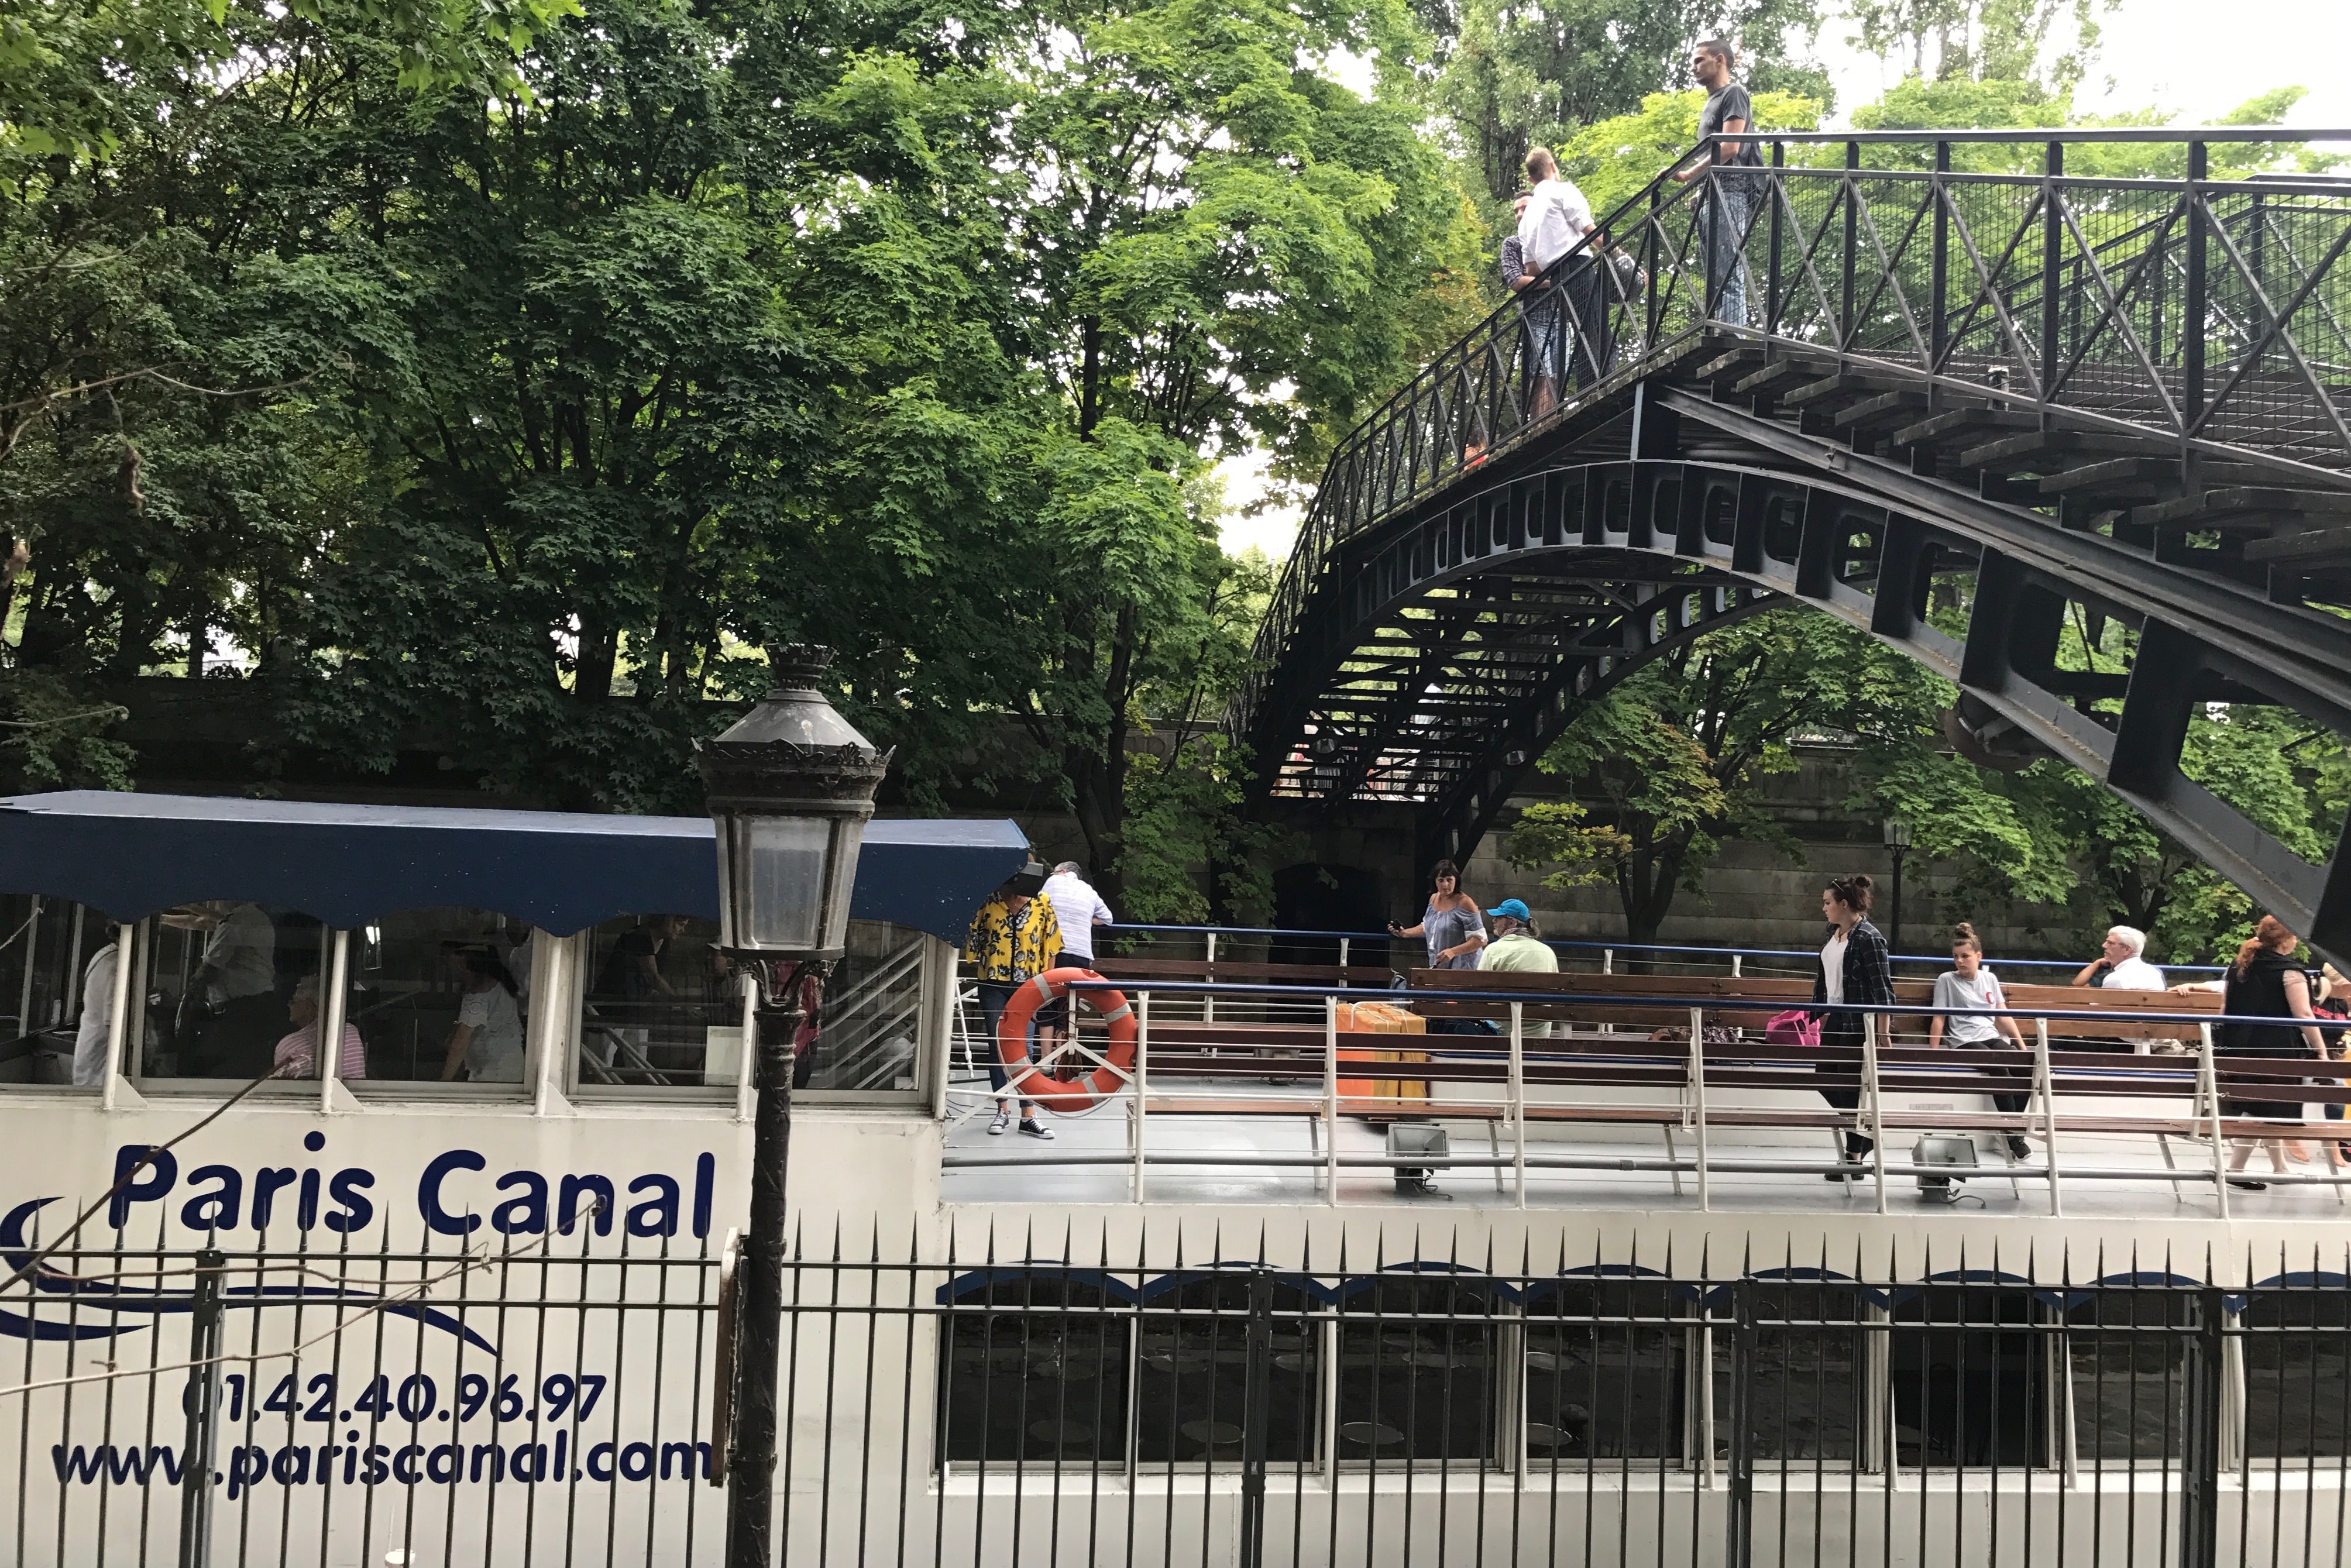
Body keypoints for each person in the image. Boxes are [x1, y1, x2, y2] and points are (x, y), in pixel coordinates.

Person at [2218, 916, 2329, 1190]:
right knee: (2264, 1111)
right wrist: (2321, 1052)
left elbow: (2223, 1009)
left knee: (2266, 1108)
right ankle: (2236, 1170)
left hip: (2238, 1048)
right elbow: (2304, 1014)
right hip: (2277, 1050)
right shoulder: (2290, 972)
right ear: (2286, 940)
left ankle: (2279, 1166)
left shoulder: (2240, 965)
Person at [962, 866, 1063, 1137]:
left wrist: (1047, 986)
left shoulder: (1042, 903)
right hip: (993, 982)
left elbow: (1051, 944)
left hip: (1027, 985)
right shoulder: (990, 899)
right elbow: (972, 933)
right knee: (997, 1046)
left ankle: (1028, 1114)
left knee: (1023, 1049)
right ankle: (1002, 1110)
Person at [1672, 37, 1763, 328]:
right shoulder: (1711, 102)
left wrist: (1689, 175)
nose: (1694, 67)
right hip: (1714, 194)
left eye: (1699, 60)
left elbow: (1729, 147)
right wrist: (1702, 190)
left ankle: (1732, 337)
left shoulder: (1734, 93)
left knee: (1729, 270)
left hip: (1733, 192)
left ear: (1720, 60)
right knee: (1715, 273)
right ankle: (1718, 331)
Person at [1925, 922, 2033, 1161]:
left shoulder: (1990, 979)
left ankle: (2010, 1129)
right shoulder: (1946, 980)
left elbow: (2002, 1016)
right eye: (1955, 957)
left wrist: (2022, 1047)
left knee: (2026, 1070)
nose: (1960, 961)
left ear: (1978, 956)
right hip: (1962, 1039)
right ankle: (2014, 1136)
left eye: (1965, 956)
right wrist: (1933, 1053)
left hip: (1990, 1036)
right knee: (1999, 1068)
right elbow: (1939, 1018)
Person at [1518, 147, 1621, 393]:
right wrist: (1620, 255)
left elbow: (1531, 268)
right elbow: (1591, 232)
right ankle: (1599, 388)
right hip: (1578, 267)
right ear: (1553, 166)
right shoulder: (1562, 191)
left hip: (1554, 279)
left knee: (1582, 331)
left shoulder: (1528, 216)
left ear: (1532, 179)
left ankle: (1588, 388)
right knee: (1597, 332)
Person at [1812, 874, 1895, 1178]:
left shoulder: (1870, 938)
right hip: (1836, 1018)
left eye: (1828, 903)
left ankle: (1853, 1156)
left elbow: (1883, 990)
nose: (1824, 908)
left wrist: (1883, 1034)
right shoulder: (1833, 934)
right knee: (1823, 1080)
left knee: (1848, 1087)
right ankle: (1863, 1138)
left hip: (1858, 1024)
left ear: (1844, 904)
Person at [166, 900, 280, 1078]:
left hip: (243, 1009)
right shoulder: (253, 916)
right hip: (257, 1005)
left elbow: (209, 969)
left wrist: (188, 995)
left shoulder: (238, 919)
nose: (215, 904)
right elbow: (206, 921)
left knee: (229, 1068)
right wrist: (167, 916)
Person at [590, 913, 685, 1068]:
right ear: (668, 921)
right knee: (605, 1055)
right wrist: (681, 1003)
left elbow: (653, 979)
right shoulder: (639, 936)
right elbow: (653, 976)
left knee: (639, 1057)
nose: (682, 930)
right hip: (615, 1005)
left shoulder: (664, 943)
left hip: (637, 1006)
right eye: (680, 925)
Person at [439, 946, 527, 1083]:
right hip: (512, 1065)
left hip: (491, 1071)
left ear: (464, 963)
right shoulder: (501, 985)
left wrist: (444, 1081)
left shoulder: (478, 996)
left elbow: (462, 1040)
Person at [1477, 899, 1557, 1037]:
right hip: (1540, 1032)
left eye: (1499, 917)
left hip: (1503, 1031)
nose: (1494, 921)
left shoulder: (1494, 950)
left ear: (1512, 922)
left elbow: (1478, 991)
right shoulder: (1547, 951)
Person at [271, 976, 367, 1080]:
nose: (289, 1006)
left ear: (308, 1008)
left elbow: (279, 1088)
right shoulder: (350, 1031)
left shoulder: (289, 1044)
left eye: (293, 1002)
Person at [1042, 863, 1115, 968]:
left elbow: (1039, 905)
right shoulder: (1089, 890)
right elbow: (1107, 918)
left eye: (1054, 873)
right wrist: (1086, 918)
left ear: (1063, 872)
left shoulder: (1053, 881)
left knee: (1051, 984)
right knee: (1077, 984)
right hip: (1082, 952)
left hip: (1055, 949)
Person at [70, 936, 118, 1088]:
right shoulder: (117, 964)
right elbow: (112, 1022)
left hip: (90, 1044)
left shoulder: (104, 954)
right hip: (100, 1056)